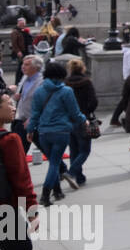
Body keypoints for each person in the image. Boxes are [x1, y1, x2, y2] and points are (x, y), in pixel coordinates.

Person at [0, 91, 39, 250]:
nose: (13, 107)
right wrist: (32, 209)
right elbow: (21, 179)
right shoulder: (9, 140)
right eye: (8, 103)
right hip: (4, 211)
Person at [27, 60, 91, 206]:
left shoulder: (39, 91)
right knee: (55, 163)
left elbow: (35, 113)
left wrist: (30, 130)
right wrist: (83, 120)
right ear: (61, 75)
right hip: (61, 132)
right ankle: (45, 193)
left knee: (53, 162)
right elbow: (74, 112)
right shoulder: (66, 91)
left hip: (43, 132)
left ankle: (57, 191)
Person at [64, 58, 97, 188]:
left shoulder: (66, 83)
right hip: (84, 119)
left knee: (74, 150)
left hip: (69, 120)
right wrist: (88, 112)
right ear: (82, 68)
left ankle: (79, 177)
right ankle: (72, 173)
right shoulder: (87, 82)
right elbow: (93, 101)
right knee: (85, 150)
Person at [9, 56, 43, 163]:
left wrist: (33, 118)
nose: (23, 66)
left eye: (27, 64)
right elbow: (21, 96)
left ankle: (61, 169)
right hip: (20, 120)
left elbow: (43, 103)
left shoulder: (42, 81)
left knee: (45, 148)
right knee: (19, 150)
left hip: (34, 121)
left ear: (36, 67)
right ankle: (17, 173)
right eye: (23, 64)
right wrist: (16, 96)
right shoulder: (24, 78)